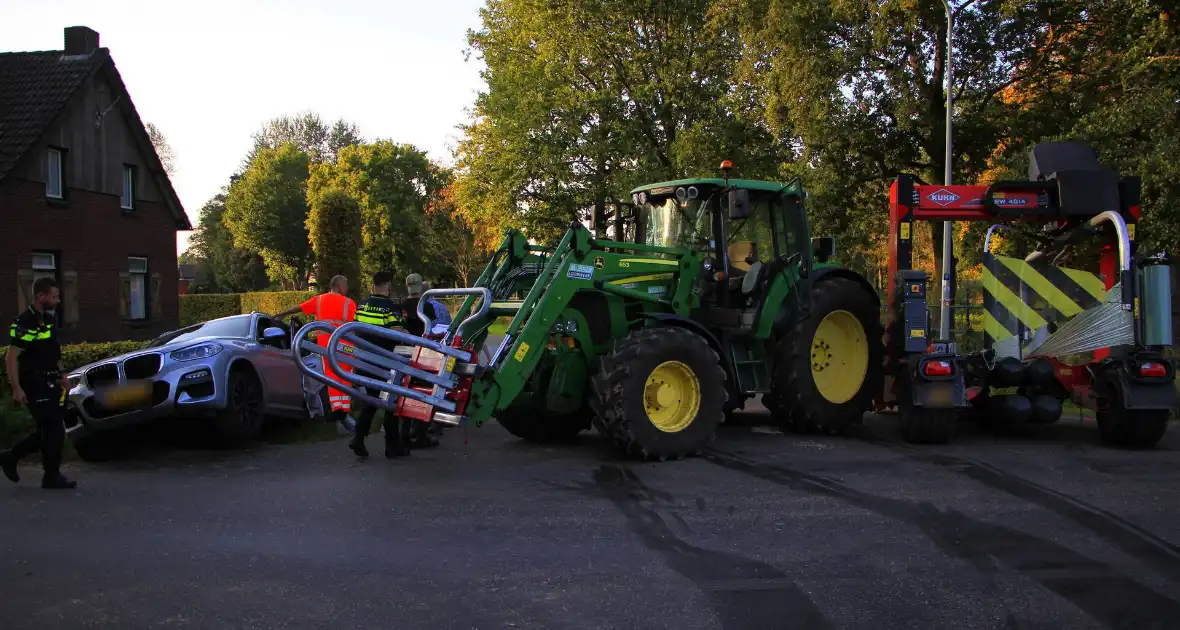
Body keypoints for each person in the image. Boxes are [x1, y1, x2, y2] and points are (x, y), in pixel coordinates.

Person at [0, 278, 76, 489]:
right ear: (40, 297)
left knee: (49, 429)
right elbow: (11, 357)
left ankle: (10, 456)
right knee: (53, 428)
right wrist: (16, 388)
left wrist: (62, 374)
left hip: (51, 380)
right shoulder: (25, 322)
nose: (58, 300)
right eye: (54, 296)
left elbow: (53, 349)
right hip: (33, 381)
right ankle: (51, 476)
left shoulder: (48, 319)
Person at [348, 272, 412, 458]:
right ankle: (392, 446)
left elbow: (356, 328)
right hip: (385, 361)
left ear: (373, 285)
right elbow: (397, 332)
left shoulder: (361, 305)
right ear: (389, 287)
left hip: (364, 360)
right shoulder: (390, 307)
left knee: (372, 401)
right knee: (391, 402)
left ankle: (358, 439)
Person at [275, 275, 357, 418]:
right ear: (337, 286)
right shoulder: (349, 303)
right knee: (345, 376)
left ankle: (337, 408)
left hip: (325, 346)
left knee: (331, 376)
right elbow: (354, 325)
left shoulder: (319, 300)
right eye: (345, 285)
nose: (347, 288)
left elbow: (300, 307)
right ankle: (345, 408)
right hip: (345, 346)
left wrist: (283, 313)